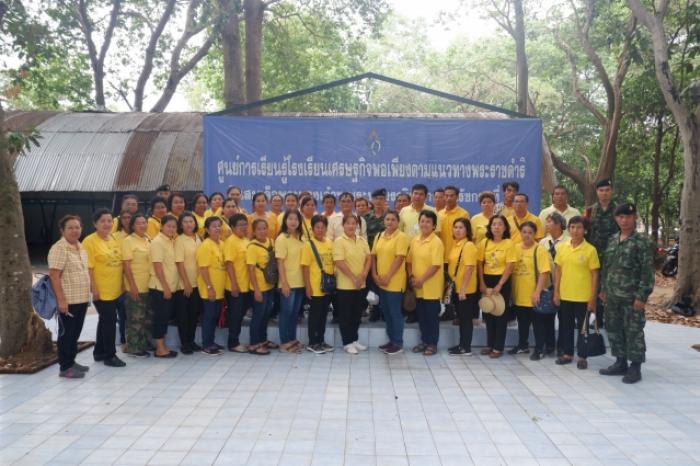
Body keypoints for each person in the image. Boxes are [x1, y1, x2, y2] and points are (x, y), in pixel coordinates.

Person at [599, 204, 654, 384]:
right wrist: (603, 289)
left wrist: (641, 296)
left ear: (634, 218)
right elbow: (607, 266)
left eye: (628, 217)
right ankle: (620, 362)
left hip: (631, 297)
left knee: (633, 331)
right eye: (621, 217)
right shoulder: (613, 240)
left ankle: (635, 367)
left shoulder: (642, 242)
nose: (624, 220)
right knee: (614, 329)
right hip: (612, 296)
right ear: (616, 219)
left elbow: (647, 272)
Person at [553, 216, 600, 369]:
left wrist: (592, 298)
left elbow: (595, 275)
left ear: (585, 230)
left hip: (583, 297)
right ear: (568, 229)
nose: (575, 231)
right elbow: (558, 271)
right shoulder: (562, 248)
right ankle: (567, 354)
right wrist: (556, 292)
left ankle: (582, 356)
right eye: (572, 227)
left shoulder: (590, 250)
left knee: (583, 328)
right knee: (566, 326)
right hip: (565, 295)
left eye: (579, 227)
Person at [48, 215, 91, 378]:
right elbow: (54, 275)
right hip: (68, 301)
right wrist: (61, 300)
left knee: (75, 333)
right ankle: (65, 367)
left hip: (81, 298)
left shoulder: (80, 246)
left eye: (77, 227)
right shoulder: (59, 248)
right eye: (70, 228)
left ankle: (71, 361)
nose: (74, 231)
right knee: (66, 335)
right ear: (62, 230)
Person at [83, 208, 126, 367]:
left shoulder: (112, 238)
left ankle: (99, 352)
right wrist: (93, 289)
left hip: (115, 289)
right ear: (95, 223)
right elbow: (88, 268)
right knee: (109, 320)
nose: (107, 224)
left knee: (105, 320)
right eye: (103, 221)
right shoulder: (89, 241)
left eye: (109, 221)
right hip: (101, 290)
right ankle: (110, 355)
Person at [508, 222, 551, 356]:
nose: (526, 235)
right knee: (522, 323)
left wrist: (537, 292)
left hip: (533, 295)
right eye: (524, 232)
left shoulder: (539, 249)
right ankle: (522, 345)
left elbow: (544, 272)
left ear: (534, 234)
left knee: (538, 324)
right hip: (518, 294)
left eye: (530, 232)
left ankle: (539, 349)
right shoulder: (515, 248)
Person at [477, 215, 516, 358]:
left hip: (502, 281)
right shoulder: (484, 242)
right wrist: (482, 282)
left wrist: (500, 284)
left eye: (500, 224)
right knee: (488, 312)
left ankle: (498, 347)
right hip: (487, 280)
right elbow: (479, 264)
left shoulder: (508, 243)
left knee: (500, 315)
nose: (497, 227)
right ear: (490, 227)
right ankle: (489, 344)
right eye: (494, 224)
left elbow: (510, 265)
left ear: (505, 228)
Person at [371, 210, 409, 355]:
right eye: (387, 219)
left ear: (398, 222)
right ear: (384, 221)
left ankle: (398, 343)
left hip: (394, 282)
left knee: (395, 313)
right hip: (381, 281)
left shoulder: (401, 237)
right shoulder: (379, 236)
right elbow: (373, 256)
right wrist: (374, 274)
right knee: (386, 313)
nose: (390, 222)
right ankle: (391, 340)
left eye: (393, 219)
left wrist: (388, 276)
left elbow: (399, 258)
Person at [407, 210, 444, 356]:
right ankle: (424, 341)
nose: (425, 224)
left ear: (434, 225)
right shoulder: (415, 240)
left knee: (431, 317)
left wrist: (421, 280)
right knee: (421, 317)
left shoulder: (436, 242)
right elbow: (409, 261)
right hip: (417, 286)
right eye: (422, 221)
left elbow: (435, 265)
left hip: (431, 287)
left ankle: (432, 344)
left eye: (428, 222)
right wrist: (412, 277)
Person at [333, 214, 372, 354]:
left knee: (356, 314)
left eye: (354, 223)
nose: (351, 226)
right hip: (345, 285)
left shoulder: (362, 240)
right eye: (348, 223)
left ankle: (354, 340)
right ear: (343, 225)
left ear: (357, 226)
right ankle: (347, 342)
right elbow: (339, 262)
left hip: (361, 284)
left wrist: (363, 275)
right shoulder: (339, 241)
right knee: (346, 315)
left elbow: (369, 258)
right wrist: (354, 278)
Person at [585, 178, 618, 328]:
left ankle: (611, 320)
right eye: (601, 190)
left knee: (612, 287)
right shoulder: (590, 210)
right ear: (597, 192)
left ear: (612, 191)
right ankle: (596, 319)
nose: (604, 193)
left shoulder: (619, 210)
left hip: (614, 257)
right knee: (594, 286)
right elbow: (586, 233)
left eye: (607, 190)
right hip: (595, 257)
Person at [301, 215, 335, 354]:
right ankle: (312, 342)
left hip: (327, 287)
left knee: (323, 315)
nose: (320, 230)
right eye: (317, 227)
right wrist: (307, 287)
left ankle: (321, 340)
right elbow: (305, 267)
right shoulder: (308, 245)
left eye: (323, 227)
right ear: (312, 229)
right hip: (315, 287)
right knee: (314, 316)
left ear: (326, 229)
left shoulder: (329, 242)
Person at [536, 212, 567, 358]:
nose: (546, 224)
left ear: (558, 224)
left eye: (549, 222)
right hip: (547, 285)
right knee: (547, 316)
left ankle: (562, 347)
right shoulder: (543, 242)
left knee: (563, 318)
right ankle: (549, 345)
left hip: (564, 284)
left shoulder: (568, 241)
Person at [121, 213, 152, 357]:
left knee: (146, 318)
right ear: (133, 226)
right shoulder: (128, 241)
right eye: (138, 223)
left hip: (149, 285)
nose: (142, 225)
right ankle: (133, 347)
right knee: (135, 318)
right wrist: (132, 286)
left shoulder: (148, 239)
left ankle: (143, 344)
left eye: (144, 222)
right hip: (136, 286)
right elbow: (126, 265)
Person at [447, 218, 478, 356]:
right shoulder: (456, 244)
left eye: (461, 227)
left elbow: (469, 268)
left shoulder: (468, 245)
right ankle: (462, 344)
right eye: (455, 227)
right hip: (457, 288)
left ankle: (466, 347)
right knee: (461, 317)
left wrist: (463, 289)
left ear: (467, 230)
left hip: (466, 290)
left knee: (466, 319)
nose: (457, 230)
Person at [149, 214, 179, 358]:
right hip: (160, 288)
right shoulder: (158, 242)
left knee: (165, 317)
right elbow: (157, 266)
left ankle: (163, 346)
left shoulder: (171, 241)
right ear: (161, 226)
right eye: (168, 226)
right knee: (160, 318)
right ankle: (160, 349)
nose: (171, 229)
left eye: (174, 226)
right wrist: (165, 287)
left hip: (169, 287)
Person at [276, 210, 305, 353]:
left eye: (296, 219)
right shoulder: (282, 238)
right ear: (285, 221)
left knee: (294, 313)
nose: (293, 222)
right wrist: (284, 283)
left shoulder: (301, 238)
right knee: (286, 312)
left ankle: (292, 339)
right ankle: (284, 342)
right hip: (288, 282)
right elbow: (280, 262)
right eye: (290, 219)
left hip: (300, 282)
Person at [247, 219, 277, 355]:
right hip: (259, 287)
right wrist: (256, 290)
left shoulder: (271, 242)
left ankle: (263, 340)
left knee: (266, 315)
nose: (262, 231)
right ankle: (254, 344)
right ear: (254, 232)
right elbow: (251, 270)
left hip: (269, 285)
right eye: (259, 229)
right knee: (258, 316)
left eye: (264, 228)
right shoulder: (252, 247)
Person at [197, 216, 226, 356]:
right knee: (209, 317)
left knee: (214, 316)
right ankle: (206, 345)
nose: (217, 228)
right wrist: (209, 287)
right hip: (209, 288)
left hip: (220, 288)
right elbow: (203, 268)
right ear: (207, 230)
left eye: (219, 225)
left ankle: (211, 341)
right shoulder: (205, 245)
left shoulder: (222, 243)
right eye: (214, 226)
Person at [174, 212, 202, 354]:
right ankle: (185, 343)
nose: (189, 224)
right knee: (183, 316)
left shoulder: (198, 238)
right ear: (180, 225)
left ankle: (191, 341)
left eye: (191, 221)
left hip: (198, 284)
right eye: (185, 222)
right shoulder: (179, 240)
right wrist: (186, 283)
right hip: (184, 285)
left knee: (193, 315)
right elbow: (179, 263)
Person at [224, 213, 250, 353]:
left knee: (240, 314)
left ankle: (236, 340)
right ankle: (233, 343)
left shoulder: (246, 240)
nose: (243, 227)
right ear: (232, 227)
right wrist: (234, 284)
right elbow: (229, 264)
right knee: (235, 315)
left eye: (245, 224)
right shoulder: (231, 241)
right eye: (240, 225)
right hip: (235, 286)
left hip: (246, 285)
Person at [111, 210, 132, 345]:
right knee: (122, 312)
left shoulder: (140, 234)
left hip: (137, 279)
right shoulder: (115, 236)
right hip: (121, 280)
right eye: (124, 218)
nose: (127, 220)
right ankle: (124, 339)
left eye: (129, 217)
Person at [438, 185, 470, 263]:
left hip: (457, 257)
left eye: (452, 196)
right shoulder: (439, 214)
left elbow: (467, 236)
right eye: (446, 196)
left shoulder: (464, 214)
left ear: (457, 197)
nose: (449, 198)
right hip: (441, 256)